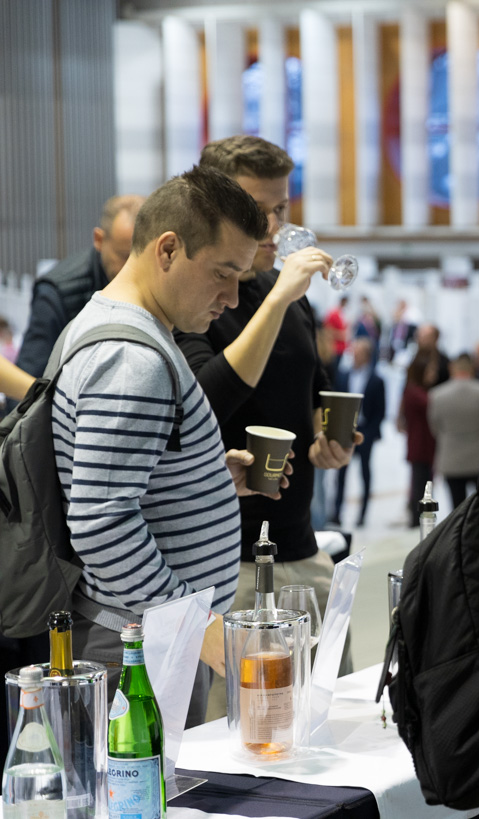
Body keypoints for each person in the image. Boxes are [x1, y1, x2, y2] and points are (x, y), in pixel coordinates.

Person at [52, 166, 268, 724]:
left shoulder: (122, 327)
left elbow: (117, 483)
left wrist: (203, 478)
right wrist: (193, 623)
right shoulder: (133, 361)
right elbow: (102, 521)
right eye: (222, 273)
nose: (232, 298)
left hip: (142, 635)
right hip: (136, 647)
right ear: (168, 249)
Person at [175, 135, 357, 692]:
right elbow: (206, 400)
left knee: (330, 714)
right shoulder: (197, 303)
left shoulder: (290, 296)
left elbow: (316, 387)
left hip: (302, 546)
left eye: (282, 209)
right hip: (226, 565)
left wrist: (331, 438)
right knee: (242, 731)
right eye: (259, 211)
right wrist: (276, 300)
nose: (274, 228)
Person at [15, 194, 144, 381]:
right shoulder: (56, 293)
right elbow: (28, 383)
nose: (134, 268)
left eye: (142, 257)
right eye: (125, 256)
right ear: (99, 239)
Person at [427, 353, 479, 507]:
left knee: (457, 506)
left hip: (451, 459)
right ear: (472, 369)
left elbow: (435, 428)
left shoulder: (437, 395)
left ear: (452, 369)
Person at [331, 338, 385, 528]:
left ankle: (363, 513)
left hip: (365, 430)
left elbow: (380, 411)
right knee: (341, 473)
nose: (355, 356)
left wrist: (369, 434)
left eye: (359, 353)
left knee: (364, 472)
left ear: (367, 356)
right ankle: (336, 512)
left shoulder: (376, 380)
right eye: (354, 352)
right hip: (345, 429)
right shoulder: (343, 376)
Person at [397, 356, 436, 527]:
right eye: (429, 371)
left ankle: (421, 520)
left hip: (424, 445)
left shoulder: (418, 391)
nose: (432, 374)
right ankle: (417, 522)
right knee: (420, 486)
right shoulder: (415, 393)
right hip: (420, 445)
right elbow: (430, 404)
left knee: (424, 485)